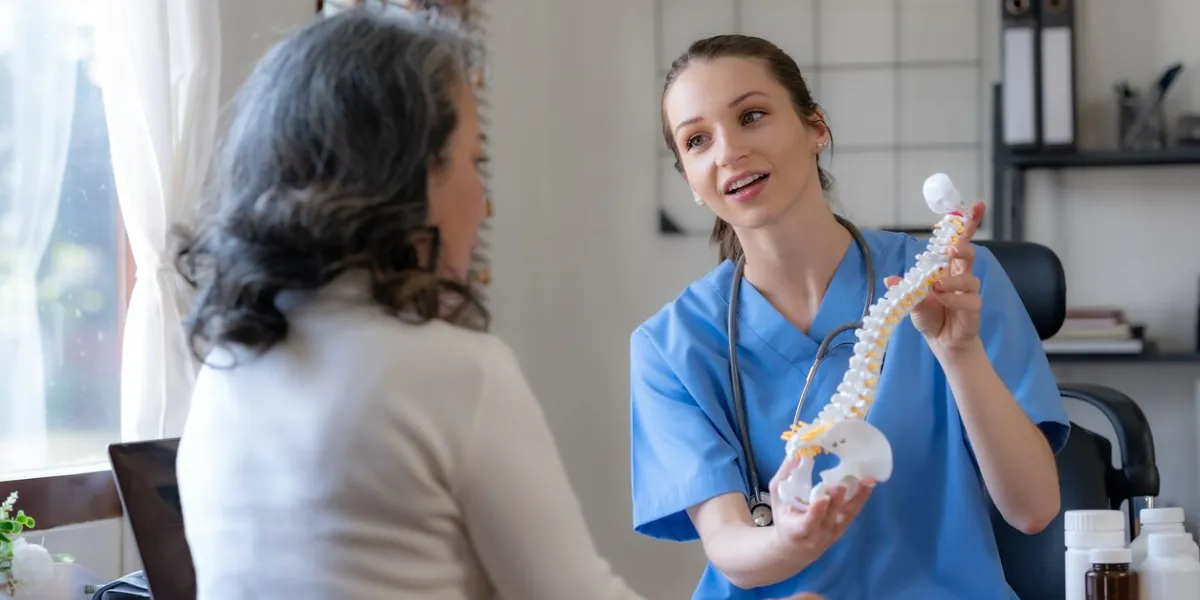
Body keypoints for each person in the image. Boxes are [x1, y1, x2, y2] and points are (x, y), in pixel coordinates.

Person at [170, 9, 820, 600]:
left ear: (815, 129)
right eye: (471, 163)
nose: (483, 202)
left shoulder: (229, 368)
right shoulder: (448, 370)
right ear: (404, 177)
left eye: (753, 115)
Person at [628, 34, 1071, 600]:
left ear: (816, 128)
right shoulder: (673, 345)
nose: (727, 151)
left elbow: (1034, 509)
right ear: (690, 180)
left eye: (752, 115)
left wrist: (959, 353)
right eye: (697, 141)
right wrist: (792, 541)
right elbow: (731, 549)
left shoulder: (951, 279)